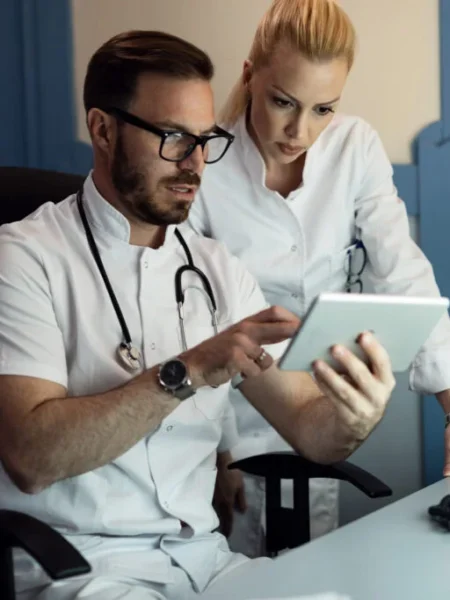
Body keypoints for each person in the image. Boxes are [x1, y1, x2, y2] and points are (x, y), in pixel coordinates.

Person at [0, 29, 396, 600]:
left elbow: (311, 428)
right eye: (172, 138)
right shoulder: (24, 257)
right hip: (86, 570)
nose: (195, 163)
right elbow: (32, 459)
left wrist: (356, 415)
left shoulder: (218, 269)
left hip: (205, 564)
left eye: (206, 139)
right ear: (102, 129)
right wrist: (184, 372)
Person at [187, 0, 450, 558]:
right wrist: (215, 448)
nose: (298, 130)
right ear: (249, 74)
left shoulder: (355, 147)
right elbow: (188, 311)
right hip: (223, 405)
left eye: (323, 108)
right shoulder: (204, 161)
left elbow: (403, 270)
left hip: (321, 400)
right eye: (283, 101)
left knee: (308, 562)